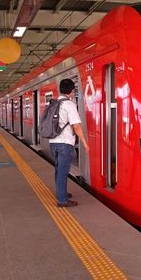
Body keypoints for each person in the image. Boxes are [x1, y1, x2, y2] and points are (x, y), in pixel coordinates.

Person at [49, 78, 89, 208]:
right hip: (64, 143)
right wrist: (84, 142)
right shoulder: (69, 105)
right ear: (72, 91)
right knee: (63, 171)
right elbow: (76, 126)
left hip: (53, 142)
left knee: (58, 169)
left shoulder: (55, 102)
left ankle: (62, 193)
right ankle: (62, 200)